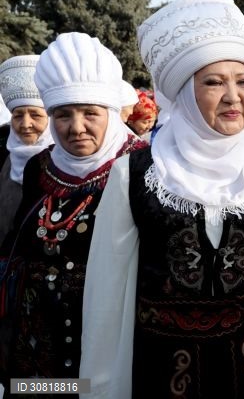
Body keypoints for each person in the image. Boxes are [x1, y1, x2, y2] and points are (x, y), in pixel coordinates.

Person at [79, 0, 244, 398]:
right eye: (214, 82)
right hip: (160, 373)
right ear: (184, 92)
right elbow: (107, 301)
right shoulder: (134, 172)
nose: (234, 96)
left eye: (243, 81)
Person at [0, 33, 146, 385]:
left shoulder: (142, 167)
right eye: (63, 115)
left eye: (90, 113)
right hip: (37, 344)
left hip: (106, 338)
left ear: (111, 113)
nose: (76, 127)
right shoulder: (39, 166)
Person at [0, 55, 53, 247]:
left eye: (36, 115)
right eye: (18, 115)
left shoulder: (62, 161)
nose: (25, 124)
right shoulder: (5, 158)